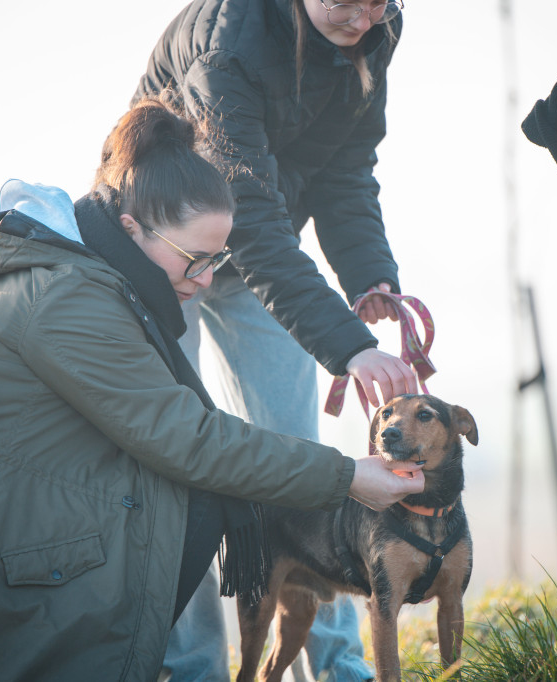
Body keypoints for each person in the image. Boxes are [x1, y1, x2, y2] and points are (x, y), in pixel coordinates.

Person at [0, 97, 425, 682]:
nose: (207, 282)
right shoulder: (70, 301)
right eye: (196, 260)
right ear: (132, 228)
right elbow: (193, 442)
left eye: (218, 261)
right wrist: (347, 477)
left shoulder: (79, 278)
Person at [130, 1, 414, 679]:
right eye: (350, 0)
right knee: (174, 461)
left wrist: (368, 269)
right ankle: (192, 668)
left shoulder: (376, 28)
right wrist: (346, 346)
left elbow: (345, 168)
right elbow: (249, 218)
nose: (367, 17)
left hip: (260, 248)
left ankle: (339, 665)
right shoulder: (228, 48)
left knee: (299, 458)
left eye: (382, 0)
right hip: (166, 251)